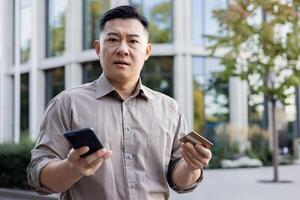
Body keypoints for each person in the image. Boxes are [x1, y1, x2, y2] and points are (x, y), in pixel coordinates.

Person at [27, 5, 212, 200]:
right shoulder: (67, 103)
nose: (122, 49)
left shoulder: (169, 108)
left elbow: (180, 181)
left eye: (133, 41)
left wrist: (192, 166)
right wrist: (72, 167)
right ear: (98, 48)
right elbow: (37, 176)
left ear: (147, 51)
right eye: (113, 39)